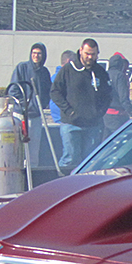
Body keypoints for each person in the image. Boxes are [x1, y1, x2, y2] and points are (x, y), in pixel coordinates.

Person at [50, 38, 111, 173]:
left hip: (93, 125)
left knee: (89, 162)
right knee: (70, 159)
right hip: (71, 123)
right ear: (81, 51)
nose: (90, 57)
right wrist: (69, 111)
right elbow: (55, 92)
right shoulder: (68, 70)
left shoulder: (100, 72)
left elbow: (108, 95)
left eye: (93, 54)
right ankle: (61, 186)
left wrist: (99, 112)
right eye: (87, 53)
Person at [10, 42, 53, 166]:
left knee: (33, 150)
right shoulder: (21, 68)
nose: (36, 56)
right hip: (21, 115)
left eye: (39, 54)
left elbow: (47, 91)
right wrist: (25, 105)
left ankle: (32, 173)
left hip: (36, 116)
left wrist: (41, 105)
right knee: (18, 148)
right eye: (34, 53)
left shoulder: (44, 72)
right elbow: (14, 89)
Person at [104, 52, 132, 133]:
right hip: (117, 115)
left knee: (105, 141)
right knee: (119, 141)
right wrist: (131, 111)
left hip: (105, 115)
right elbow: (123, 97)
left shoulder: (104, 74)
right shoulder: (120, 76)